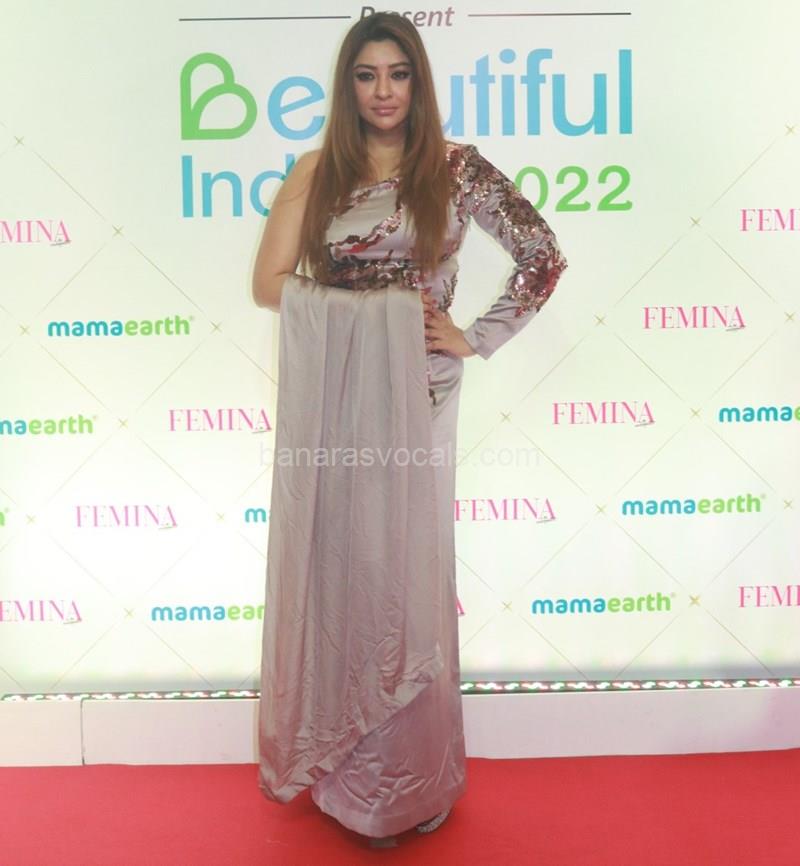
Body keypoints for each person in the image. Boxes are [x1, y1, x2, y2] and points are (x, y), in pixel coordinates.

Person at [252, 11, 567, 849]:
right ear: (347, 86)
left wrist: (474, 335)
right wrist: (370, 317)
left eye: (398, 74)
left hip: (418, 395)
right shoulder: (317, 171)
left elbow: (543, 255)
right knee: (346, 568)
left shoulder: (456, 170)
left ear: (418, 83)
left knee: (407, 574)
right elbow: (269, 282)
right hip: (338, 396)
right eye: (367, 75)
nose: (383, 91)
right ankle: (349, 777)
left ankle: (414, 779)